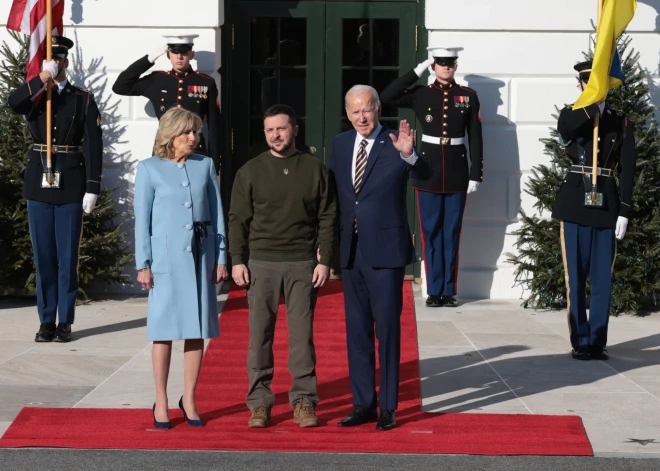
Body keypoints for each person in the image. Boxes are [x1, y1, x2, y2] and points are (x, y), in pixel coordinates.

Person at [228, 104, 336, 429]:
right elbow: (237, 221)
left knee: (301, 338)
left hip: (303, 263)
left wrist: (325, 260)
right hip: (261, 263)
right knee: (259, 336)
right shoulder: (249, 171)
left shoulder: (315, 170)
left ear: (295, 130)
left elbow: (328, 217)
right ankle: (259, 403)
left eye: (282, 129)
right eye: (270, 130)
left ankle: (304, 401)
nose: (276, 135)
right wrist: (237, 261)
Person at [331, 85, 429, 431]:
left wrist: (410, 155)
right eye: (355, 111)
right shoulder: (340, 144)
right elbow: (339, 198)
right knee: (357, 332)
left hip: (385, 252)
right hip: (351, 252)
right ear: (348, 113)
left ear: (377, 109)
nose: (361, 117)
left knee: (386, 329)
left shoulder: (396, 142)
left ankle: (388, 407)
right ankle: (363, 404)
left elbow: (425, 176)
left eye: (367, 110)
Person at [134, 107, 228, 429]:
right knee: (162, 331)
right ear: (169, 135)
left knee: (196, 329)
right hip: (164, 262)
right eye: (187, 132)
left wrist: (221, 256)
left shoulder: (205, 166)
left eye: (196, 132)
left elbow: (217, 215)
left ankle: (188, 397)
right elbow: (141, 222)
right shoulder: (149, 169)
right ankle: (161, 399)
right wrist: (143, 264)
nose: (193, 138)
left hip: (199, 259)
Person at [8, 35, 103, 343]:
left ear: (66, 60)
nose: (56, 63)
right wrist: (42, 78)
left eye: (60, 59)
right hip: (39, 182)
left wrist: (93, 187)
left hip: (71, 183)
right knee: (44, 257)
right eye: (52, 59)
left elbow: (93, 144)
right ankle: (46, 320)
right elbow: (12, 102)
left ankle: (65, 320)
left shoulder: (82, 98)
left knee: (67, 257)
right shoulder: (36, 95)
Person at [380, 46, 483, 308]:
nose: (446, 67)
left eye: (450, 63)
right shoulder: (421, 94)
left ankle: (449, 291)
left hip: (458, 170)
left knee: (451, 233)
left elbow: (475, 137)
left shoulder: (468, 96)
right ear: (434, 66)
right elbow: (387, 96)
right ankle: (434, 290)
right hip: (428, 170)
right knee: (430, 232)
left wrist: (475, 173)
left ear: (456, 66)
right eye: (440, 63)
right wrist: (418, 69)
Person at [553, 60, 635, 361]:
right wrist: (592, 105)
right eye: (589, 84)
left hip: (606, 205)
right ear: (581, 86)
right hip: (575, 203)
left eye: (599, 84)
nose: (594, 89)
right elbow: (567, 128)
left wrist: (625, 209)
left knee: (602, 278)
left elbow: (628, 169)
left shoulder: (620, 121)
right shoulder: (572, 114)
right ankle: (580, 340)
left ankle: (597, 340)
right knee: (575, 277)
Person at [112, 34, 221, 174]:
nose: (179, 57)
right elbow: (120, 87)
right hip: (165, 147)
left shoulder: (205, 83)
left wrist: (215, 160)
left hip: (194, 148)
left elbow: (214, 125)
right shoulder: (157, 80)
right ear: (168, 55)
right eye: (175, 52)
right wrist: (150, 58)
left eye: (184, 53)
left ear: (191, 54)